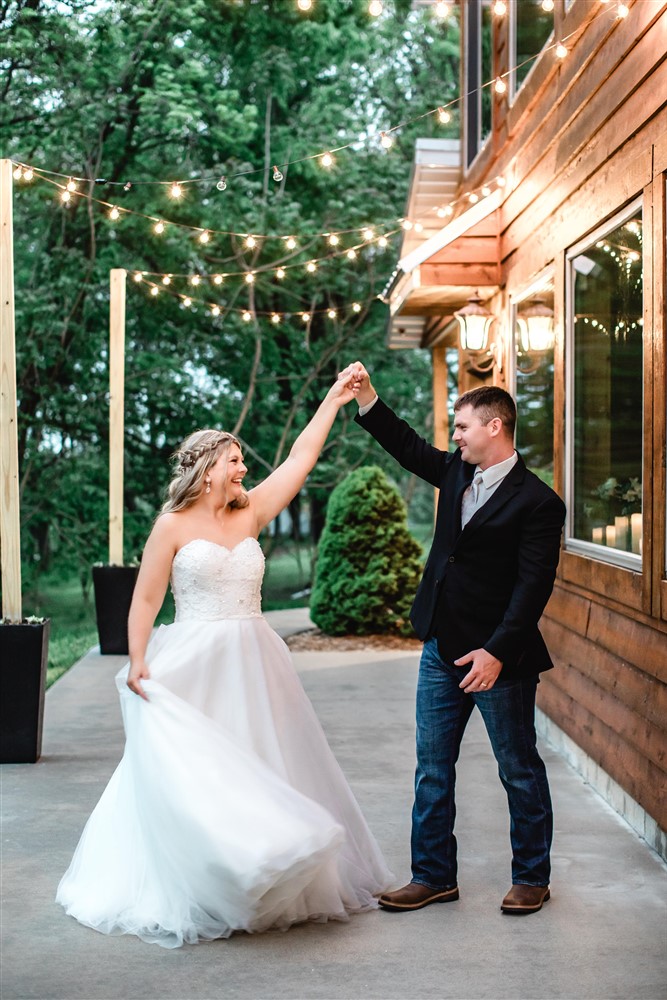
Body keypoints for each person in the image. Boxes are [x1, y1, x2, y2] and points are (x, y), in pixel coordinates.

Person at [56, 372, 392, 948]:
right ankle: (212, 876)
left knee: (263, 760)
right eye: (233, 461)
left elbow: (301, 458)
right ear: (206, 467)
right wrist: (137, 659)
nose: (243, 469)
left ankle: (266, 867)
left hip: (256, 659)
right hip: (195, 660)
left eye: (241, 461)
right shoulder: (171, 526)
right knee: (203, 773)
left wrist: (335, 402)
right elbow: (145, 598)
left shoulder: (253, 510)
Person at [342, 362, 565, 916]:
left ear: (494, 427)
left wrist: (496, 653)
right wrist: (368, 395)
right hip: (441, 649)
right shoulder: (455, 472)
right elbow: (405, 445)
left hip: (499, 660)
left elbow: (532, 589)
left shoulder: (540, 503)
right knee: (432, 768)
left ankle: (532, 877)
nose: (455, 436)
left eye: (462, 426)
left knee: (518, 769)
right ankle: (433, 875)